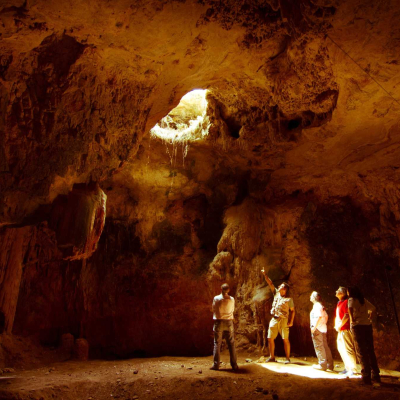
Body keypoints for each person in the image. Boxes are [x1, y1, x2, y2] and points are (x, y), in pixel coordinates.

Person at [347, 286, 380, 385]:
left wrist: (352, 320)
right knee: (370, 350)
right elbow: (373, 309)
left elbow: (350, 309)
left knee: (361, 351)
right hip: (367, 326)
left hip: (358, 326)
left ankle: (366, 376)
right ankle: (376, 375)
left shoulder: (351, 299)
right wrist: (369, 317)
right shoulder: (363, 300)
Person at [261, 269, 295, 364]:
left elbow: (292, 311)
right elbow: (270, 283)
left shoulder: (289, 299)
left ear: (284, 289)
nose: (279, 286)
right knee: (270, 338)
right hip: (274, 319)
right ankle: (272, 356)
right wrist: (265, 274)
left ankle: (287, 358)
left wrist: (291, 321)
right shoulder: (276, 293)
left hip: (284, 320)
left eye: (281, 286)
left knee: (285, 339)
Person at [210, 283, 239, 371]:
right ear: (228, 290)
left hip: (219, 322)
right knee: (231, 343)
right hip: (229, 322)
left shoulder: (216, 298)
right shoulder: (232, 299)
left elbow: (213, 309)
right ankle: (234, 365)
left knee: (217, 343)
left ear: (220, 289)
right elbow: (233, 310)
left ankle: (216, 365)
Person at [334, 286, 358, 377]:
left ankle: (353, 369)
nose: (336, 291)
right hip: (340, 329)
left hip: (346, 328)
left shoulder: (346, 302)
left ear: (343, 293)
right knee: (341, 348)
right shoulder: (339, 303)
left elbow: (347, 315)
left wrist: (340, 325)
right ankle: (347, 367)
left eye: (338, 290)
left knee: (348, 349)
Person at [310, 291, 334, 371]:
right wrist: (323, 324)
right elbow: (326, 316)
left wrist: (315, 327)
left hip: (318, 329)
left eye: (311, 296)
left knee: (319, 347)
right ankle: (329, 365)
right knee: (325, 346)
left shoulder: (316, 306)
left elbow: (319, 317)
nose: (310, 297)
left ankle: (322, 365)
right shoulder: (321, 306)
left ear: (314, 297)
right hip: (323, 329)